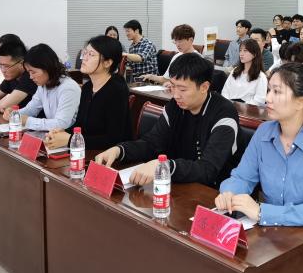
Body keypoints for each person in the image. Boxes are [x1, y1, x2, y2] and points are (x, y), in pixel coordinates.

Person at [216, 63, 303, 273]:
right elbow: (242, 177)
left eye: (277, 92)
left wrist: (262, 212)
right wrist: (229, 192)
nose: (267, 98)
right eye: (269, 90)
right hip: (275, 236)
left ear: (301, 102)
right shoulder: (264, 132)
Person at [94, 54, 239, 187]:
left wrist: (165, 166)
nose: (175, 95)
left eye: (182, 89)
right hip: (177, 184)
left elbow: (208, 169)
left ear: (204, 87)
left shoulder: (224, 114)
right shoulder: (175, 106)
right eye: (173, 86)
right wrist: (120, 150)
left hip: (214, 193)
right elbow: (152, 143)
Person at [43, 35, 130, 153]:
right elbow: (81, 125)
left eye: (91, 54)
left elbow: (113, 139)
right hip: (88, 151)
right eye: (85, 53)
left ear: (107, 63)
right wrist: (62, 132)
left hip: (111, 156)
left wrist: (69, 139)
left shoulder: (117, 90)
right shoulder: (88, 87)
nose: (84, 58)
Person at [6, 44, 81, 131]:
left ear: (47, 68)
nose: (30, 77)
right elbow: (31, 109)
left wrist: (27, 121)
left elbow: (61, 124)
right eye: (29, 72)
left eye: (33, 72)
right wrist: (14, 114)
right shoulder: (43, 85)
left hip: (69, 136)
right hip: (52, 135)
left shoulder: (68, 88)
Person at [0, 39, 37, 112]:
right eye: (0, 65)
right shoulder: (12, 76)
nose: (3, 70)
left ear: (21, 63)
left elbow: (3, 106)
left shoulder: (30, 77)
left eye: (6, 66)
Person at [222, 39, 268, 105]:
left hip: (248, 109)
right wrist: (228, 104)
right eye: (240, 50)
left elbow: (260, 100)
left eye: (245, 51)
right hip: (229, 106)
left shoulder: (261, 76)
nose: (241, 54)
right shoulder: (235, 71)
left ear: (254, 54)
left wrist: (242, 106)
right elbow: (225, 91)